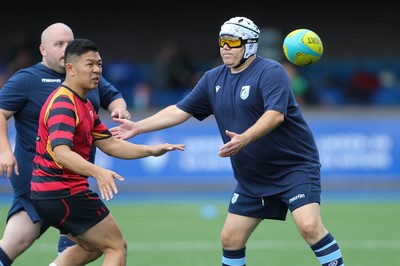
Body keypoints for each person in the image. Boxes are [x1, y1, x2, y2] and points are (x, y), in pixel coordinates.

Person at [110, 16, 345, 266]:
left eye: (232, 42)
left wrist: (245, 138)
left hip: (293, 168)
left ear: (250, 45)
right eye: (222, 41)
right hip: (253, 177)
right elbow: (179, 110)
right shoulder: (213, 78)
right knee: (230, 239)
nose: (224, 47)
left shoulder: (271, 71)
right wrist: (138, 126)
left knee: (309, 227)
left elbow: (275, 115)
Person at [31, 38, 185, 266]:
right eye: (90, 64)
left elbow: (110, 144)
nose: (97, 70)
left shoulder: (84, 104)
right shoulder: (64, 103)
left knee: (91, 246)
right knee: (116, 246)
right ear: (70, 69)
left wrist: (149, 150)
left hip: (49, 193)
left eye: (99, 64)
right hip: (64, 191)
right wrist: (98, 172)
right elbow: (61, 153)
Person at [0, 22, 131, 265]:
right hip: (37, 183)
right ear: (42, 49)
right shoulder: (26, 80)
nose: (64, 49)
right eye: (58, 44)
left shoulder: (85, 75)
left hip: (72, 183)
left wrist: (119, 110)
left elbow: (113, 97)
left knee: (85, 248)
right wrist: (4, 151)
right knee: (10, 249)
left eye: (68, 44)